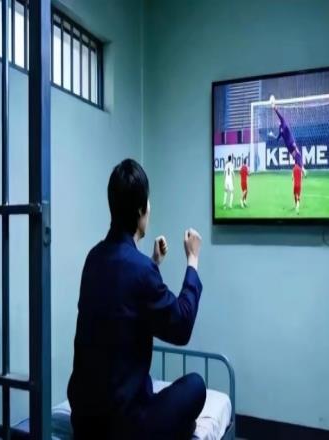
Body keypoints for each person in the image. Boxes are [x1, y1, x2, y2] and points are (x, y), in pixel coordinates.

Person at [67, 158, 206, 439]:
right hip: (122, 426)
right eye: (148, 203)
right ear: (142, 210)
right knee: (196, 386)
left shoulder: (93, 258)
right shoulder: (141, 271)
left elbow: (123, 300)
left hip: (83, 421)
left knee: (147, 386)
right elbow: (181, 327)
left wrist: (153, 263)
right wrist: (192, 260)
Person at [272, 102, 306, 175]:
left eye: (278, 121)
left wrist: (275, 109)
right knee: (296, 155)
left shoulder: (282, 125)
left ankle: (301, 169)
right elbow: (277, 139)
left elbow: (279, 116)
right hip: (290, 143)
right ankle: (301, 169)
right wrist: (272, 135)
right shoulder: (281, 127)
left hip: (290, 143)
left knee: (296, 155)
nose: (278, 121)